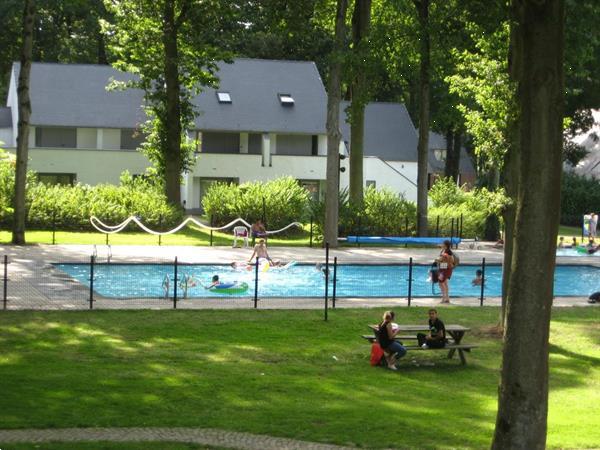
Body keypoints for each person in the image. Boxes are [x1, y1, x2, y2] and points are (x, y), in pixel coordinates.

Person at [437, 240, 454, 304]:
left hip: (446, 269)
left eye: (443, 243)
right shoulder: (443, 250)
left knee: (441, 282)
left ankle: (443, 298)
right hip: (442, 269)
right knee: (445, 283)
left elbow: (452, 260)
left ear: (446, 245)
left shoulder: (449, 252)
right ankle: (447, 298)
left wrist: (440, 259)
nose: (441, 244)